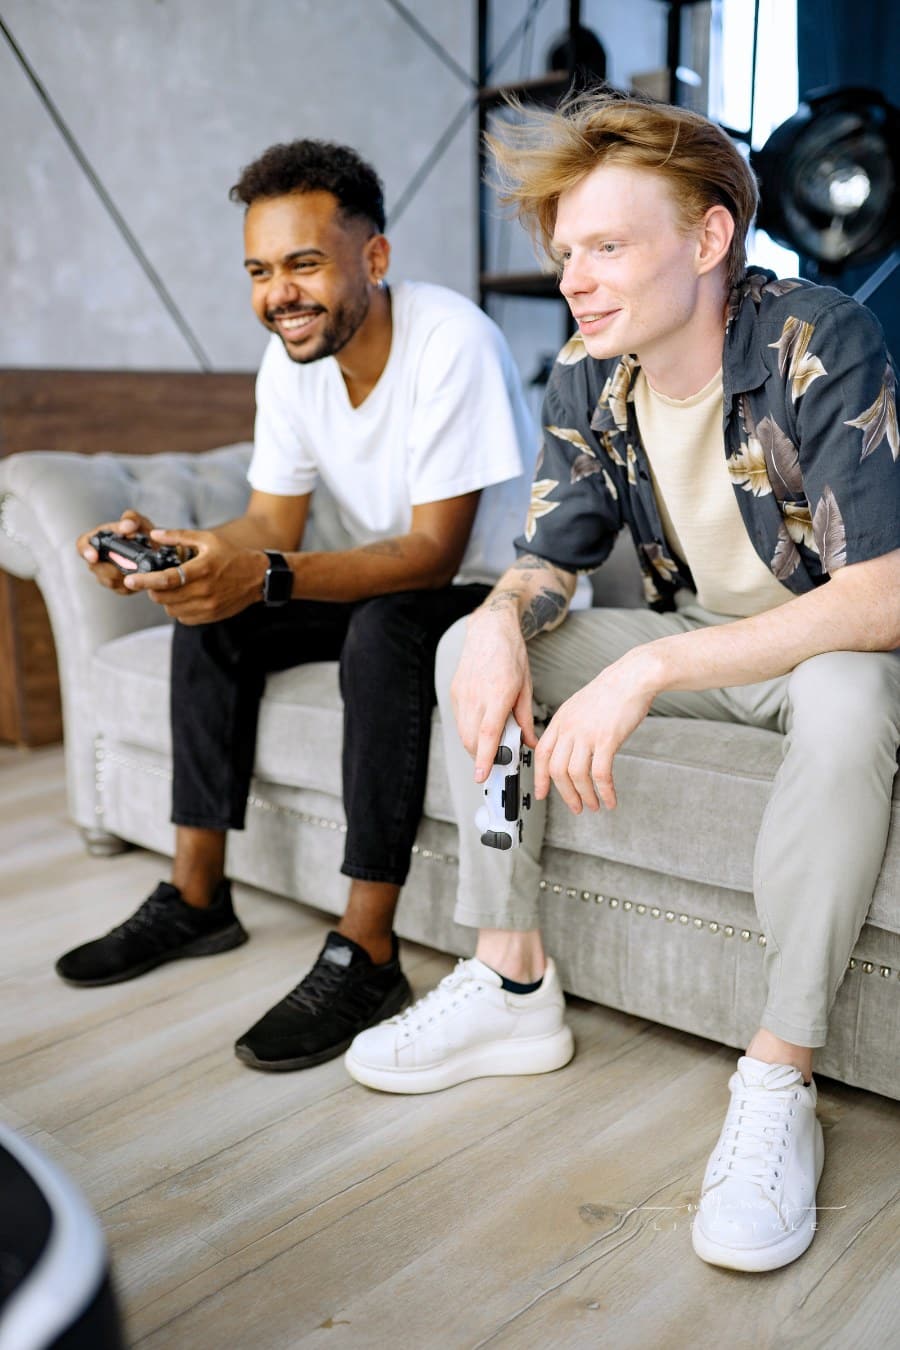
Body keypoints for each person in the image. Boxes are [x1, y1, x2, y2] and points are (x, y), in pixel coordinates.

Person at [344, 93, 900, 1274]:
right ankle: (509, 978)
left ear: (707, 241)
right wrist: (498, 614)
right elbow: (551, 560)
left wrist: (649, 663)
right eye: (565, 256)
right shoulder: (585, 378)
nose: (577, 281)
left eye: (606, 246)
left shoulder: (819, 333)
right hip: (707, 638)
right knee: (466, 645)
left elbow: (881, 598)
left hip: (824, 650)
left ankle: (777, 1080)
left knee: (851, 691)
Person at [55, 139, 538, 1075]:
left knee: (385, 629)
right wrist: (181, 555)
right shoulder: (290, 363)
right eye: (261, 270)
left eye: (305, 264)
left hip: (497, 593)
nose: (281, 293)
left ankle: (368, 950)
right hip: (383, 574)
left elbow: (433, 556)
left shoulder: (453, 341)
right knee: (212, 609)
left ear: (376, 258)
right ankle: (197, 898)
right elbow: (269, 520)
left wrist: (268, 571)